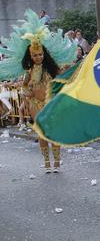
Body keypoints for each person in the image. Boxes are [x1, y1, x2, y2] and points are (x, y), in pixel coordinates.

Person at [0, 10, 77, 172]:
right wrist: (26, 92)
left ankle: (57, 161)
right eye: (35, 55)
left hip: (50, 102)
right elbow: (24, 85)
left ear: (44, 54)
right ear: (30, 56)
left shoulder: (51, 68)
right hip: (35, 104)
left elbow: (62, 78)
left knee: (52, 132)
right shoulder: (29, 71)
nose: (38, 57)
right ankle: (47, 162)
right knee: (42, 133)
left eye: (40, 54)